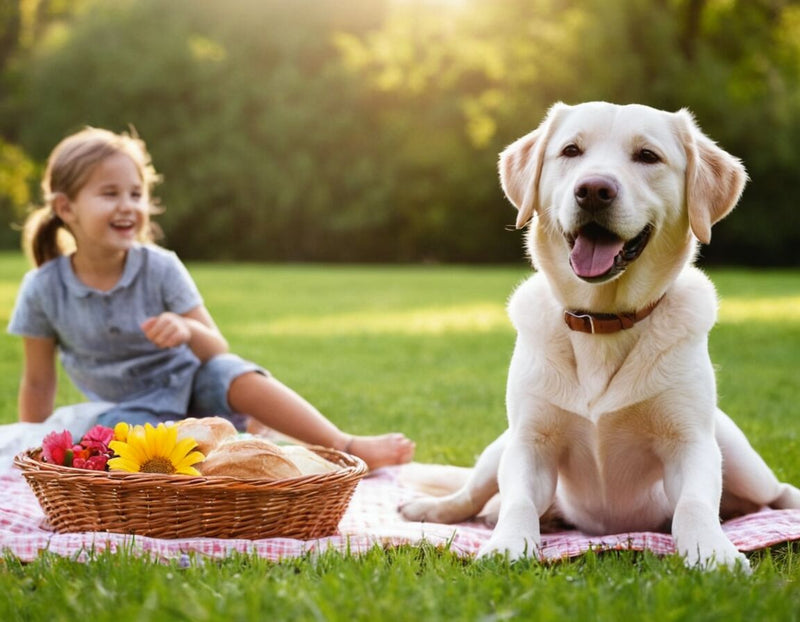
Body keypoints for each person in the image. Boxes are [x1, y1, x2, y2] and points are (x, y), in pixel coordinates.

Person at [7, 127, 414, 470]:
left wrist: (185, 329)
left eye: (136, 193)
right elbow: (40, 380)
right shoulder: (44, 288)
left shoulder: (160, 266)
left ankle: (343, 445)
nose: (128, 205)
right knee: (112, 447)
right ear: (66, 207)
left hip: (193, 385)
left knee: (231, 372)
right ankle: (246, 440)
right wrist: (31, 442)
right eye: (110, 193)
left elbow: (216, 346)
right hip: (134, 412)